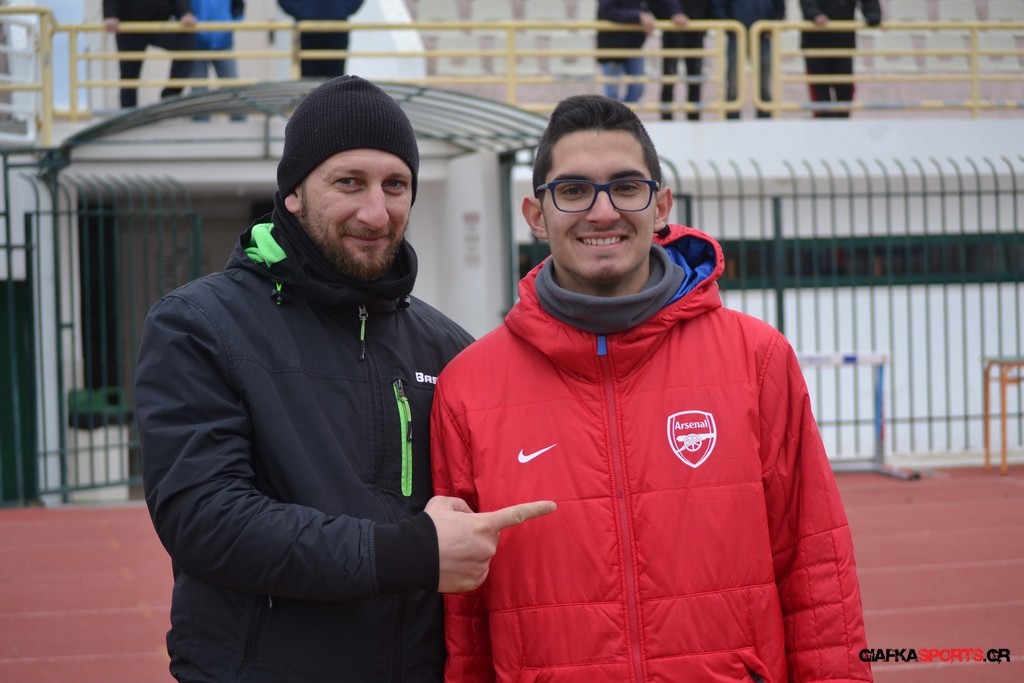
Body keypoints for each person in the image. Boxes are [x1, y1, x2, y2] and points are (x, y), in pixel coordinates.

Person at [430, 94, 871, 681]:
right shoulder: (468, 387)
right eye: (573, 190)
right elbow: (462, 618)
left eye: (626, 187)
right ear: (535, 215)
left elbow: (817, 569)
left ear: (661, 205)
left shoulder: (757, 358)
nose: (603, 211)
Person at [134, 75, 556, 682]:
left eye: (395, 185)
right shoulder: (198, 324)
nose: (375, 211)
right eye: (349, 182)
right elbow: (206, 521)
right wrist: (410, 553)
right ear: (293, 193)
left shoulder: (448, 347)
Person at [103, 0, 198, 109]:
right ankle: (128, 112)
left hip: (160, 25)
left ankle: (170, 97)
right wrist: (110, 15)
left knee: (186, 41)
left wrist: (185, 13)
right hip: (130, 27)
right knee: (129, 76)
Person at [800, 0, 882, 117]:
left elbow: (870, 3)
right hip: (815, 43)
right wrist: (815, 14)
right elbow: (807, 3)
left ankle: (843, 122)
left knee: (845, 90)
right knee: (819, 92)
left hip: (843, 42)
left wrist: (873, 14)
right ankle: (823, 123)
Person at [711, 0, 786, 118]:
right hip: (736, 32)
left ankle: (765, 116)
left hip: (762, 33)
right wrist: (728, 25)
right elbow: (718, 4)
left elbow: (779, 5)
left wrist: (773, 24)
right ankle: (732, 116)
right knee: (733, 80)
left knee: (764, 80)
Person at [650, 0, 710, 120]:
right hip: (672, 31)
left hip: (696, 31)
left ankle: (694, 119)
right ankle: (666, 119)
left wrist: (703, 23)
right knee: (669, 80)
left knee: (695, 80)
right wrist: (671, 15)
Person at [190, 0, 246, 121]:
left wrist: (232, 22)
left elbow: (238, 5)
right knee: (198, 92)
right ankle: (199, 127)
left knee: (233, 89)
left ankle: (240, 124)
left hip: (223, 40)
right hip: (197, 41)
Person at [277, 0, 364, 78]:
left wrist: (342, 9)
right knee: (309, 81)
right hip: (308, 34)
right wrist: (302, 11)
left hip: (337, 33)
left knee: (335, 82)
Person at [596, 0, 657, 103]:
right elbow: (608, 11)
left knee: (637, 88)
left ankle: (622, 112)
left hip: (634, 45)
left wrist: (675, 13)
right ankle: (617, 112)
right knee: (612, 93)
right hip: (612, 46)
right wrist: (637, 16)